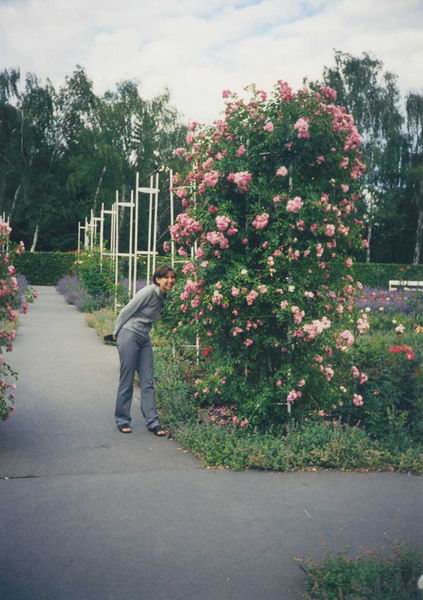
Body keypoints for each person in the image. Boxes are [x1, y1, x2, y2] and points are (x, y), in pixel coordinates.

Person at [113, 265, 176, 435]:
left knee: (148, 381)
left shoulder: (164, 296)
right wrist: (116, 333)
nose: (170, 281)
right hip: (129, 335)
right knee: (127, 379)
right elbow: (126, 311)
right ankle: (122, 420)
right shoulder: (148, 292)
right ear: (158, 279)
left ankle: (153, 422)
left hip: (144, 338)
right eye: (166, 277)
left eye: (172, 277)